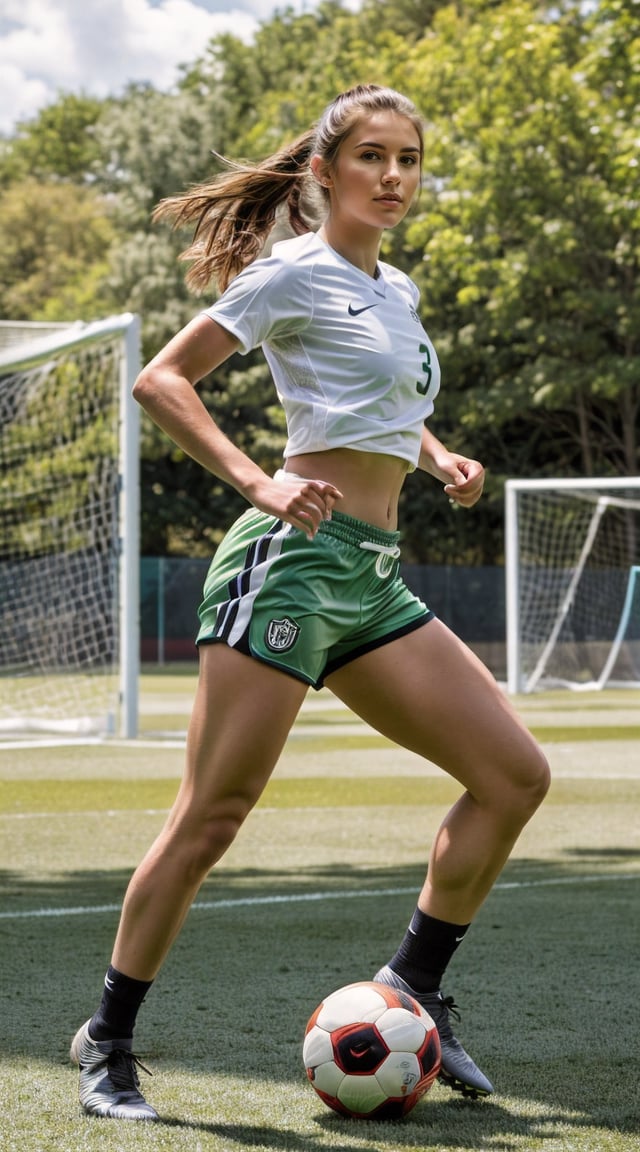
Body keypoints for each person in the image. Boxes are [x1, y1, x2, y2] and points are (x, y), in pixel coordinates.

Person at [70, 83, 550, 1120]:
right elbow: (162, 380)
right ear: (325, 173)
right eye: (372, 156)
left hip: (368, 576)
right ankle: (107, 1041)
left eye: (409, 159)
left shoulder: (399, 291)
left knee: (512, 777)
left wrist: (433, 455)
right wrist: (259, 482)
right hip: (286, 564)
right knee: (213, 816)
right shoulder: (292, 270)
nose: (393, 176)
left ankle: (412, 987)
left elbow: (380, 399)